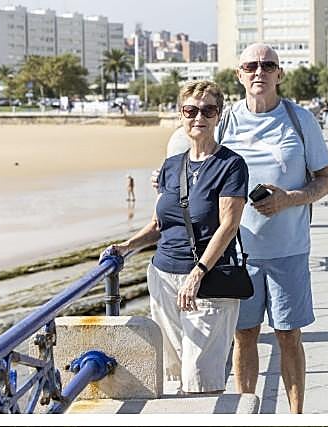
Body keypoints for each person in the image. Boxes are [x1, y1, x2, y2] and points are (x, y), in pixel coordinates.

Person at [104, 81, 248, 395]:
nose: (199, 117)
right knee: (172, 373)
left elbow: (228, 226)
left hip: (207, 281)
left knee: (201, 378)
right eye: (191, 110)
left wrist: (197, 274)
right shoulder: (171, 166)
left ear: (219, 115)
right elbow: (160, 223)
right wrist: (127, 246)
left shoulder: (231, 165)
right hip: (162, 278)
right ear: (180, 114)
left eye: (208, 110)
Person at [218, 43, 328, 414]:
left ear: (279, 74)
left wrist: (289, 199)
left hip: (289, 251)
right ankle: (246, 414)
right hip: (239, 253)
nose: (260, 72)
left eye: (268, 65)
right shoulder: (224, 121)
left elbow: (327, 179)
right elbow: (196, 161)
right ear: (239, 75)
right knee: (244, 336)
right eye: (251, 66)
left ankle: (297, 415)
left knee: (288, 336)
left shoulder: (300, 120)